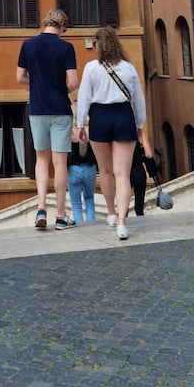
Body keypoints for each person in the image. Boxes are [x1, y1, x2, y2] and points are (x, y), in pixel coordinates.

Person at [76, 26, 152, 241]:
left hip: (99, 116)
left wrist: (81, 124)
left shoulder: (91, 68)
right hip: (123, 117)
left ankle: (110, 212)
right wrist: (139, 125)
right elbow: (139, 100)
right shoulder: (128, 68)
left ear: (98, 45)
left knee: (106, 171)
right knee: (123, 174)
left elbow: (83, 98)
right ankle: (121, 222)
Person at [17, 8, 79, 231]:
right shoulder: (66, 47)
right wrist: (59, 87)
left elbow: (20, 77)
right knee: (60, 162)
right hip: (60, 109)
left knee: (41, 159)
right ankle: (61, 216)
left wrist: (37, 83)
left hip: (37, 108)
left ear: (45, 23)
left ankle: (41, 207)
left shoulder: (28, 45)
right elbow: (73, 83)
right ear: (62, 26)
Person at [67, 121, 98, 222]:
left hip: (73, 168)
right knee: (89, 198)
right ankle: (91, 223)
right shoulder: (92, 129)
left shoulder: (69, 130)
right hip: (90, 167)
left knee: (76, 204)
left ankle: (80, 227)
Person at [130, 140, 158, 216]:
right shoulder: (139, 134)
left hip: (124, 172)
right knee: (139, 206)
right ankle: (140, 223)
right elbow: (149, 154)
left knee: (124, 203)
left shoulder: (118, 134)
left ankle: (123, 223)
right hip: (139, 171)